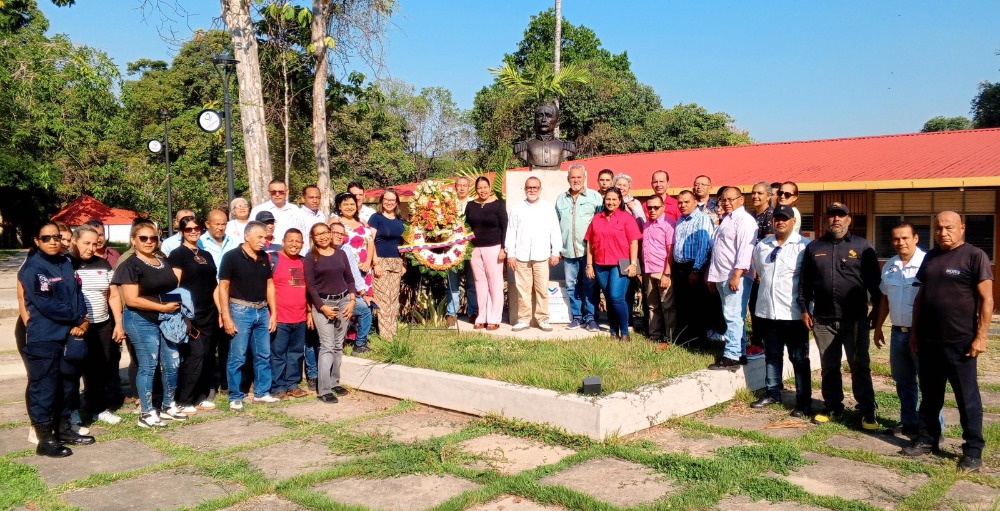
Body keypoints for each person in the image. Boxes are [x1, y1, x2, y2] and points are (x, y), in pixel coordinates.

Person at [902, 211, 993, 472]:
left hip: (961, 342)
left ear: (962, 228)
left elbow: (987, 299)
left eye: (949, 227)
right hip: (929, 342)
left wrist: (981, 336)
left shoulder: (975, 256)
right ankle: (927, 440)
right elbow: (921, 298)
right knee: (930, 395)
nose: (943, 232)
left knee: (967, 399)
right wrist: (915, 334)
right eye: (939, 228)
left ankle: (973, 450)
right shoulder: (930, 257)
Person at [798, 202, 881, 429]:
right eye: (832, 216)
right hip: (823, 319)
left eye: (841, 216)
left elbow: (875, 283)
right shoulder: (814, 247)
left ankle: (867, 410)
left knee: (859, 365)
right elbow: (805, 283)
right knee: (829, 366)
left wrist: (877, 310)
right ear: (827, 220)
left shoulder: (862, 246)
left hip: (854, 318)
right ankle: (833, 406)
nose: (836, 220)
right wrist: (805, 308)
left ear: (848, 220)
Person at [19, 223, 93, 457]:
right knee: (45, 388)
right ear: (37, 240)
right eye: (46, 238)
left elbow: (77, 294)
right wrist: (77, 317)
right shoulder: (33, 269)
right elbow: (46, 303)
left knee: (68, 384)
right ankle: (46, 439)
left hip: (69, 335)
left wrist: (82, 318)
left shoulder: (65, 263)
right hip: (45, 336)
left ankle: (64, 429)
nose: (53, 241)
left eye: (56, 237)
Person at [113, 222, 187, 428]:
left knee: (173, 362)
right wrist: (162, 307)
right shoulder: (129, 264)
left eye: (152, 238)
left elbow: (173, 286)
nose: (148, 242)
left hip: (169, 320)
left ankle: (168, 405)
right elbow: (131, 299)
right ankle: (146, 413)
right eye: (143, 238)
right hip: (141, 319)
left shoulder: (161, 259)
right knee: (148, 365)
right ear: (133, 240)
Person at [749, 206, 812, 416]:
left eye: (785, 218)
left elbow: (808, 282)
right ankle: (773, 391)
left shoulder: (805, 246)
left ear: (793, 221)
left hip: (793, 313)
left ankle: (803, 401)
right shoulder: (762, 246)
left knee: (799, 358)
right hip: (768, 311)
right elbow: (761, 273)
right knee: (772, 355)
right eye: (777, 218)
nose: (780, 222)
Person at [872, 221, 930, 437]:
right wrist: (878, 328)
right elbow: (885, 299)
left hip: (922, 334)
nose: (900, 242)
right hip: (898, 333)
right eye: (896, 238)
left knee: (928, 383)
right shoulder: (890, 266)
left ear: (915, 238)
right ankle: (909, 423)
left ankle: (932, 428)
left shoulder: (927, 263)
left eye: (905, 238)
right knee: (903, 381)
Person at [218, 221, 281, 410]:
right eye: (260, 237)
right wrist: (226, 316)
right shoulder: (231, 257)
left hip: (262, 311)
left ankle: (262, 392)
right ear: (247, 236)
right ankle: (235, 396)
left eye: (265, 237)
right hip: (240, 311)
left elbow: (270, 285)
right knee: (238, 356)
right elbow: (223, 287)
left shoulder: (263, 257)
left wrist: (273, 313)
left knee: (263, 354)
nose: (264, 241)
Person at [71, 225, 125, 425]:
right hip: (77, 326)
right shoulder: (67, 264)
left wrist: (118, 323)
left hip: (102, 324)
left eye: (95, 243)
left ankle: (98, 408)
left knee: (100, 368)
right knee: (73, 370)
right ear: (74, 241)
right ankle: (72, 410)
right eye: (86, 243)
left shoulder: (103, 264)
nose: (91, 248)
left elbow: (112, 295)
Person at [167, 215, 220, 414]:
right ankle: (183, 399)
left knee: (207, 355)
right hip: (189, 313)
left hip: (209, 312)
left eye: (196, 228)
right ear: (181, 232)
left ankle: (201, 395)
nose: (193, 231)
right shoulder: (177, 254)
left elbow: (214, 286)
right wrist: (181, 313)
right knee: (193, 356)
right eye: (188, 229)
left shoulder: (207, 254)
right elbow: (175, 285)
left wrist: (221, 311)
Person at [707, 186, 758, 370]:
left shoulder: (745, 221)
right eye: (723, 200)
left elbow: (746, 250)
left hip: (736, 276)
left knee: (733, 315)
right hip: (723, 275)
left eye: (731, 199)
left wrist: (737, 275)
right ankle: (740, 351)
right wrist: (713, 277)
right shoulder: (727, 219)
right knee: (734, 314)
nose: (727, 203)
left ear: (741, 199)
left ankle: (732, 354)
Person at [304, 222, 356, 403]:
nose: (323, 236)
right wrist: (322, 307)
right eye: (318, 234)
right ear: (313, 238)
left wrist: (352, 301)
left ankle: (334, 382)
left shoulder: (340, 253)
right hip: (323, 304)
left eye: (325, 232)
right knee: (326, 345)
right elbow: (310, 287)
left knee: (337, 344)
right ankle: (324, 389)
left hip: (343, 302)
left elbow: (349, 279)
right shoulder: (311, 258)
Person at [506, 177, 562, 332]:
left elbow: (555, 230)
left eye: (535, 187)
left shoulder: (547, 208)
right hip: (521, 256)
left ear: (540, 189)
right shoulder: (517, 208)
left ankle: (543, 318)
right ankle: (524, 319)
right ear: (525, 189)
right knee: (523, 290)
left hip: (542, 255)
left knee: (542, 289)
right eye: (529, 187)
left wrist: (555, 251)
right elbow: (511, 232)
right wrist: (510, 253)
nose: (532, 190)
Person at [586, 187, 642, 341]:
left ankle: (624, 332)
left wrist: (633, 264)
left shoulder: (626, 218)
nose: (610, 202)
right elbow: (590, 242)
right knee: (609, 298)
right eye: (608, 199)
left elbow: (634, 242)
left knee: (616, 297)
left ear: (619, 201)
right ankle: (612, 330)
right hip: (600, 264)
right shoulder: (597, 218)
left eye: (614, 199)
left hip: (620, 264)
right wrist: (589, 265)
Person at [556, 164, 602, 331]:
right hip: (568, 250)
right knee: (571, 284)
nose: (576, 180)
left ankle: (590, 318)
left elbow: (602, 223)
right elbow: (555, 225)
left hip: (589, 252)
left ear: (584, 178)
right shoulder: (561, 199)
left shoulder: (595, 198)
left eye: (579, 177)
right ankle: (577, 317)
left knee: (590, 284)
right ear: (568, 179)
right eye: (573, 177)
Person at [269, 228, 311, 400]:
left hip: (300, 317)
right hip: (280, 317)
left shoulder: (304, 262)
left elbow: (309, 289)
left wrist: (309, 312)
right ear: (283, 241)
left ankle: (292, 385)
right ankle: (277, 387)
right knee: (278, 353)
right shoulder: (273, 259)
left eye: (298, 241)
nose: (294, 244)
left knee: (296, 353)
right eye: (291, 240)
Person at [672, 190, 716, 345]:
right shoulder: (680, 220)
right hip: (679, 267)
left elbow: (704, 246)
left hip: (695, 266)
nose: (682, 205)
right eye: (680, 202)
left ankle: (698, 341)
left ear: (695, 202)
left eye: (686, 202)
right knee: (682, 304)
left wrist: (696, 270)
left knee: (697, 305)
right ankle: (685, 338)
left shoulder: (702, 219)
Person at [465, 176, 508, 330]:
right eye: (479, 188)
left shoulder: (498, 205)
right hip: (475, 249)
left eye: (485, 187)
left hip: (494, 247)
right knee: (479, 282)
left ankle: (494, 318)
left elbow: (505, 227)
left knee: (495, 282)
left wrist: (504, 248)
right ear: (476, 190)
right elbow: (466, 227)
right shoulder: (470, 205)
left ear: (490, 188)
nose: (482, 190)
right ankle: (481, 316)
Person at [329, 220, 375, 355]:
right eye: (335, 233)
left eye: (341, 234)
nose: (338, 236)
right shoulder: (318, 251)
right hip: (324, 298)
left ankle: (360, 344)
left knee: (366, 308)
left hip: (344, 296)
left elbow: (354, 274)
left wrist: (363, 293)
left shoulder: (346, 250)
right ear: (328, 233)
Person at [369, 189, 406, 340]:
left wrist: (404, 264)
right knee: (383, 300)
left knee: (393, 299)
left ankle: (393, 331)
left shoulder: (400, 220)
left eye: (392, 200)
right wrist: (375, 262)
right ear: (381, 201)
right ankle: (386, 336)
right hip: (381, 262)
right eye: (386, 199)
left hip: (396, 263)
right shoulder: (375, 218)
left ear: (397, 202)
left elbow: (404, 244)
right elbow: (370, 242)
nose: (389, 202)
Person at [641, 195, 675, 343]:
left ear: (663, 207)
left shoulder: (668, 224)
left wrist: (667, 274)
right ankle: (654, 335)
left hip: (662, 270)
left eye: (656, 207)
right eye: (649, 208)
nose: (652, 210)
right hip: (648, 270)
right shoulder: (646, 224)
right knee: (652, 305)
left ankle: (669, 338)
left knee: (667, 306)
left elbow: (670, 251)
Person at [446, 176, 479, 327]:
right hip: (452, 249)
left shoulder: (474, 204)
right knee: (453, 282)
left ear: (469, 187)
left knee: (472, 282)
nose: (462, 188)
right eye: (459, 185)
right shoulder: (448, 204)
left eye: (465, 185)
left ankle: (473, 312)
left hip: (470, 248)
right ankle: (451, 313)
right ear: (455, 186)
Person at [513, 102, 576, 171]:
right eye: (540, 116)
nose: (543, 120)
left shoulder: (567, 147)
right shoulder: (523, 147)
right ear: (535, 121)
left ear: (557, 122)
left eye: (548, 116)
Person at [299, 185, 325, 250]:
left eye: (317, 197)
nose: (315, 201)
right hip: (302, 255)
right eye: (311, 197)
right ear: (303, 199)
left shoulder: (321, 215)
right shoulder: (297, 215)